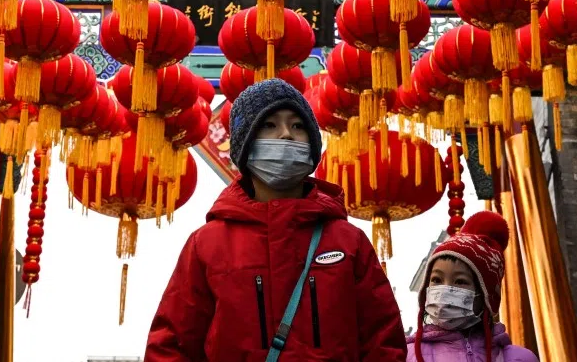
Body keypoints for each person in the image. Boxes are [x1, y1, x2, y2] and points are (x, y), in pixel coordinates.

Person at [146, 78, 407, 361]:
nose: (286, 135)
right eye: (269, 125)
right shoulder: (206, 244)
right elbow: (172, 346)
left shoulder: (348, 240)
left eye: (297, 126)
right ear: (245, 146)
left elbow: (384, 340)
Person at [408, 211, 539, 362]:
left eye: (460, 281)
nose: (445, 290)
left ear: (487, 294)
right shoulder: (407, 355)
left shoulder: (519, 358)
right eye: (436, 279)